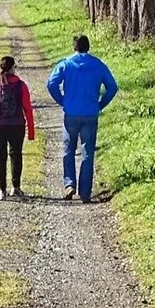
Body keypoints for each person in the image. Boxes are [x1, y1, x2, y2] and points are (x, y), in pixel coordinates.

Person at [47, 35, 118, 203]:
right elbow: (112, 87)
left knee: (68, 149)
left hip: (71, 113)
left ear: (74, 48)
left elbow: (51, 84)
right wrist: (100, 104)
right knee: (87, 152)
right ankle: (85, 192)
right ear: (88, 47)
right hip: (90, 113)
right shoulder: (98, 65)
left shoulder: (66, 64)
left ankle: (69, 183)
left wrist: (62, 100)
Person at [0, 55, 37, 200]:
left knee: (0, 156)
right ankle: (16, 188)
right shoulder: (20, 85)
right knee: (16, 155)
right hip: (16, 125)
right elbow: (27, 108)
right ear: (12, 68)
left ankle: (1, 190)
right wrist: (31, 130)